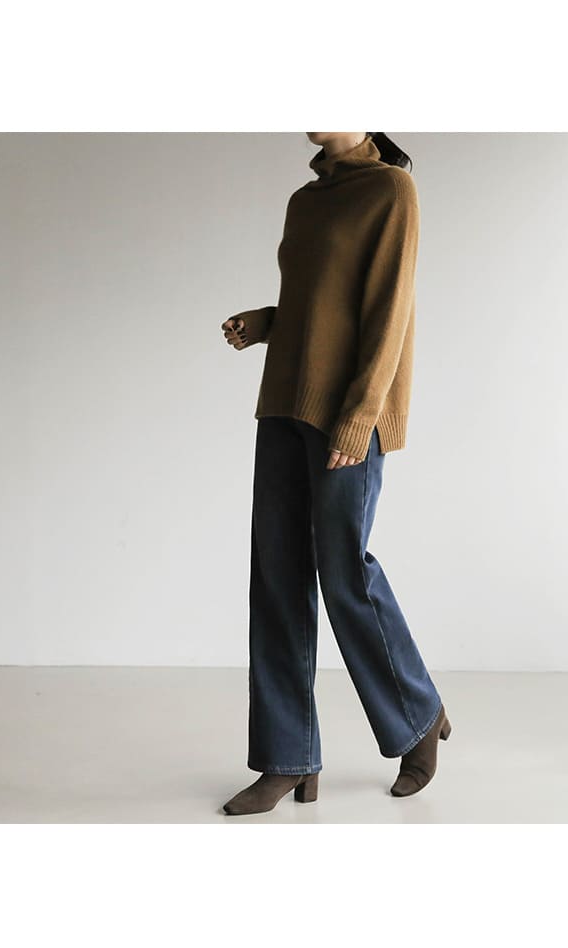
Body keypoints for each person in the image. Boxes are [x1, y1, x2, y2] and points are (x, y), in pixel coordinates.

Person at [219, 132, 450, 816]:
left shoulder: (392, 191)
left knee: (344, 570)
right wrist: (268, 322)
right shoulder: (307, 199)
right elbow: (321, 304)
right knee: (277, 578)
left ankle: (418, 714)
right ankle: (287, 758)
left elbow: (388, 314)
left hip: (347, 414)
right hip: (284, 402)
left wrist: (361, 416)